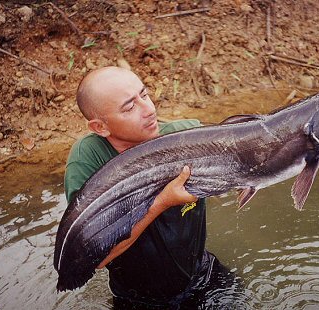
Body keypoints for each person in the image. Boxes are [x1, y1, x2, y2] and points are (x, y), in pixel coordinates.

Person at [63, 66, 240, 308]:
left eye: (144, 95)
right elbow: (95, 257)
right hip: (140, 300)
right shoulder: (90, 160)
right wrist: (162, 201)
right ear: (100, 127)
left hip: (203, 275)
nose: (149, 109)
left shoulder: (186, 135)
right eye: (129, 107)